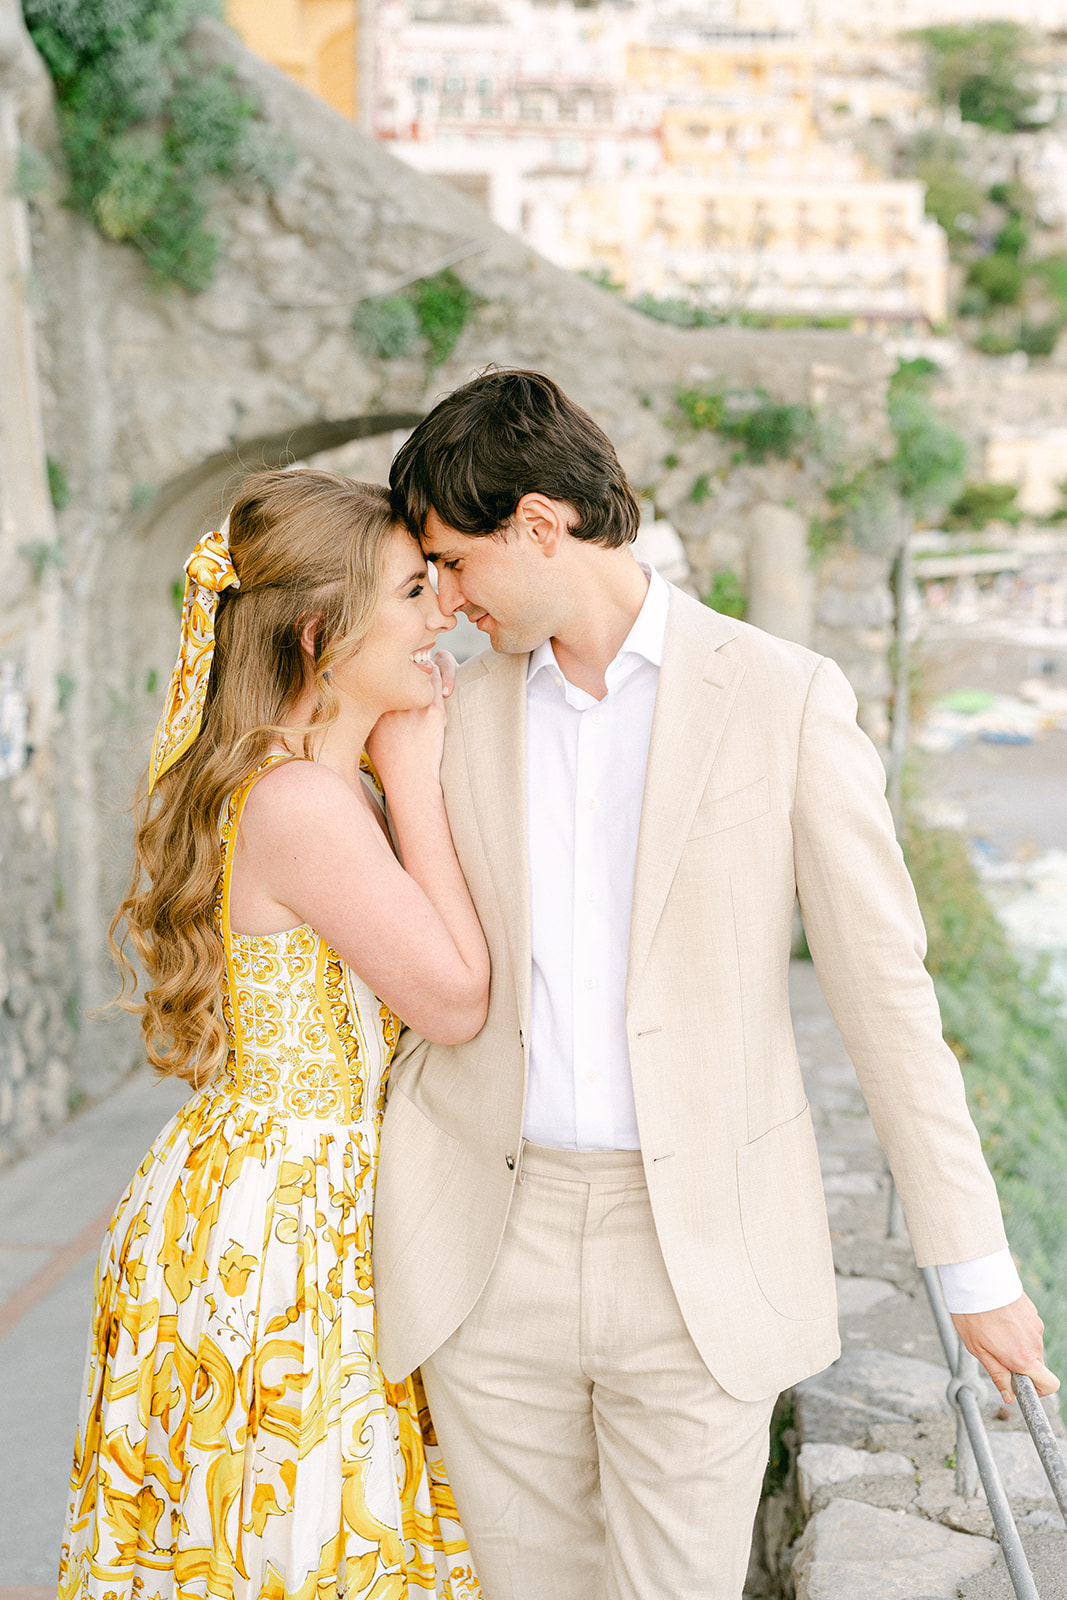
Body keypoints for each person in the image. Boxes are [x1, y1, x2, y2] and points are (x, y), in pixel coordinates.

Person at [373, 370, 1059, 1600]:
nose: (448, 598)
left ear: (538, 523)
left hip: (700, 1262)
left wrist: (970, 1264)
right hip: (485, 1250)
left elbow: (883, 996)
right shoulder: (444, 709)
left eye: (454, 562)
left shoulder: (783, 695)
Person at [58, 470, 487, 1600]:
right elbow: (453, 1000)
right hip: (290, 1221)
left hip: (274, 1190)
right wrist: (415, 775)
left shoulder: (306, 786)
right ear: (319, 632)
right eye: (412, 590)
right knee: (302, 1529)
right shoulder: (302, 803)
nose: (441, 610)